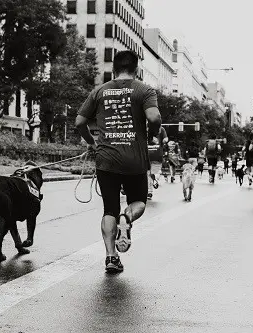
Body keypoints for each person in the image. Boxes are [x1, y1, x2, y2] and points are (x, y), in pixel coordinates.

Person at [75, 50, 161, 273]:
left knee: (108, 209)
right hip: (135, 159)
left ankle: (111, 257)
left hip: (107, 159)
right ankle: (127, 216)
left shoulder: (100, 91)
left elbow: (79, 122)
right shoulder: (144, 90)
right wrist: (152, 133)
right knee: (139, 201)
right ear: (137, 69)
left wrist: (91, 142)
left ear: (113, 69)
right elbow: (154, 117)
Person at [147, 126, 168, 199]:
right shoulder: (160, 128)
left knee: (148, 174)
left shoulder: (142, 127)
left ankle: (149, 192)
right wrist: (164, 141)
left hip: (146, 155)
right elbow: (166, 139)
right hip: (157, 154)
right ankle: (155, 179)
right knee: (155, 172)